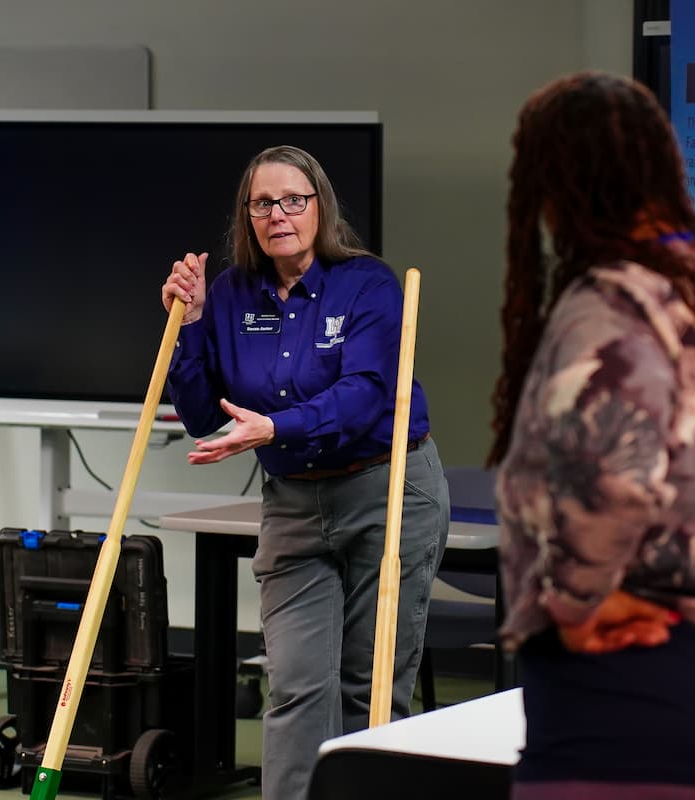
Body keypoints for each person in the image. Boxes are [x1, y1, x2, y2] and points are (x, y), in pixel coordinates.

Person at [487, 71, 695, 800]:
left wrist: (577, 601)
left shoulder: (610, 307)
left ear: (554, 192)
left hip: (635, 718)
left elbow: (614, 476)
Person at [161, 144, 449, 800]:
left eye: (294, 199)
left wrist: (275, 427)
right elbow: (202, 414)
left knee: (369, 686)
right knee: (294, 684)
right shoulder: (229, 293)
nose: (279, 214)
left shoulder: (369, 285)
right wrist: (193, 322)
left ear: (320, 205)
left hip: (387, 490)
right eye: (263, 203)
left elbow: (367, 394)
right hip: (293, 504)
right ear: (247, 216)